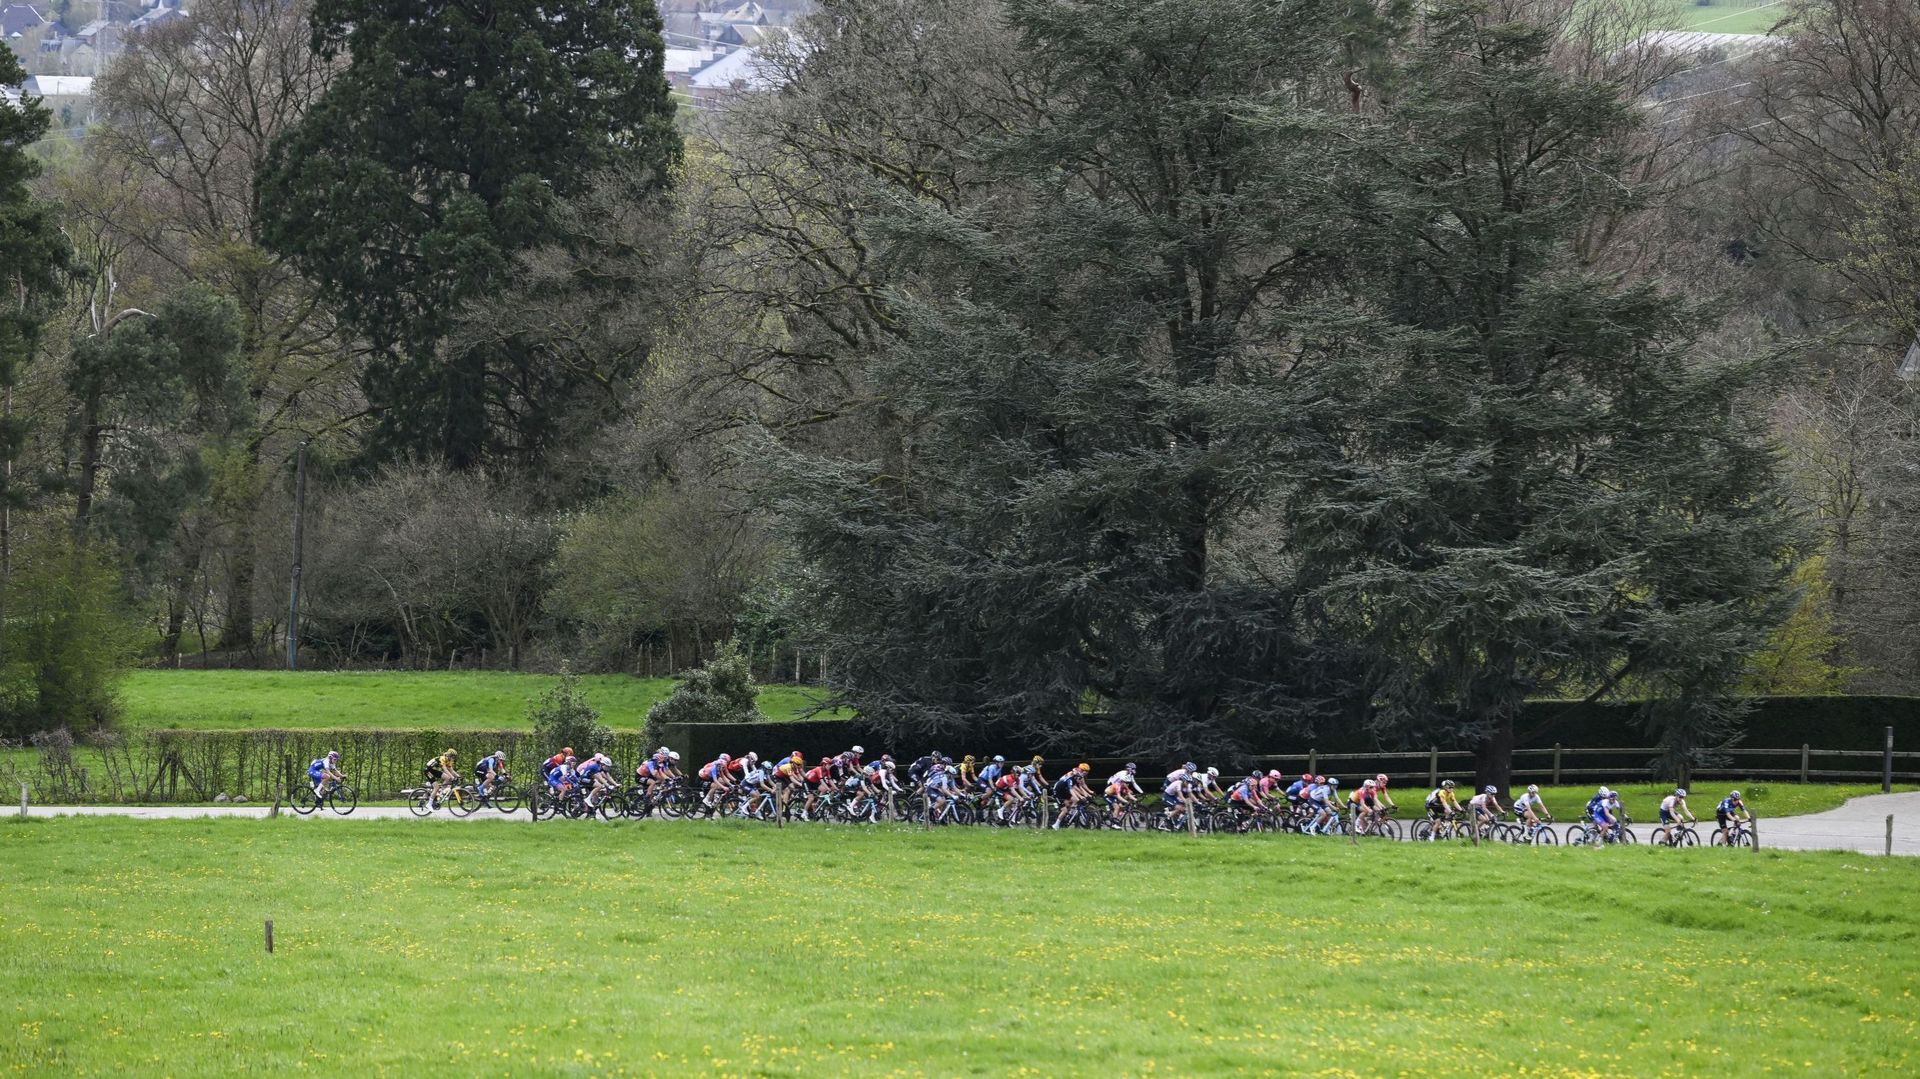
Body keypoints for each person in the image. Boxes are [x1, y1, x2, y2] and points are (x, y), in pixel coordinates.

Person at [1050, 763, 1092, 829]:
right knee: (1064, 810)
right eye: (1078, 778)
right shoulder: (1069, 779)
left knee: (1074, 801)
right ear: (1075, 776)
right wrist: (1080, 797)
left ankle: (1068, 815)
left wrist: (1085, 795)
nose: (1079, 779)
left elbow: (1079, 788)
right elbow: (1072, 790)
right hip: (1058, 792)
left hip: (1064, 791)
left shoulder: (1075, 779)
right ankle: (1056, 825)